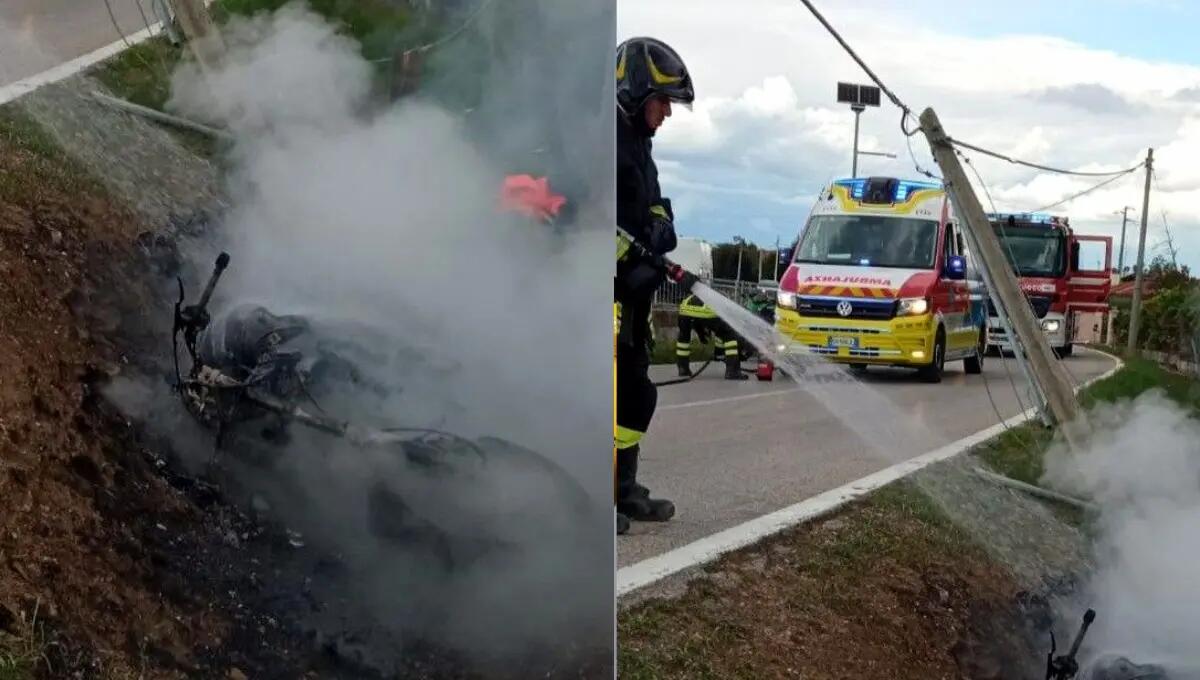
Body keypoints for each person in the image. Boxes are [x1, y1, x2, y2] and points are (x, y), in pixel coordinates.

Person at [614, 36, 694, 535]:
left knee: (635, 395)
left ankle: (621, 488)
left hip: (632, 300)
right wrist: (632, 259)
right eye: (663, 101)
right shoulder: (601, 142)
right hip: (604, 300)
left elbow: (654, 201)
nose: (667, 113)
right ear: (637, 91)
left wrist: (662, 225)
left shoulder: (639, 146)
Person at [675, 293, 749, 380]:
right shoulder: (726, 305)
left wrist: (701, 335)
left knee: (683, 339)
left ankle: (683, 369)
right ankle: (732, 372)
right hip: (707, 313)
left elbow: (697, 322)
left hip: (684, 312)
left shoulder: (704, 295)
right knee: (730, 337)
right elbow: (722, 331)